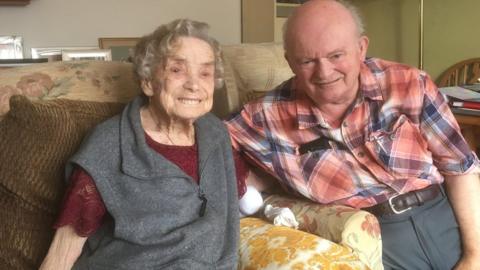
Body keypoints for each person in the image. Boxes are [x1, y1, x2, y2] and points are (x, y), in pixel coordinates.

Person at [226, 0, 480, 269]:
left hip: (443, 212)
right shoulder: (265, 117)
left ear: (361, 49)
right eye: (308, 61)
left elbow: (459, 169)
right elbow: (200, 146)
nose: (324, 73)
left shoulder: (408, 83)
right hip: (369, 238)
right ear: (290, 62)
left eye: (336, 56)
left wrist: (474, 255)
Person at [39, 19, 262, 270]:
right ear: (147, 81)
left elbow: (240, 184)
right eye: (177, 70)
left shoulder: (215, 133)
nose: (194, 84)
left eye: (205, 73)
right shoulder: (110, 144)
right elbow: (64, 249)